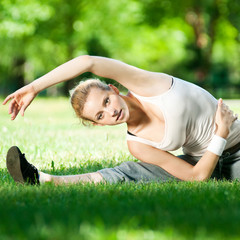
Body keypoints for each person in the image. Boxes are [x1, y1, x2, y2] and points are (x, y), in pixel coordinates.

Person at [3, 55, 240, 185]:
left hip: (237, 152)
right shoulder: (136, 144)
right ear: (98, 124)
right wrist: (219, 135)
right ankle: (44, 180)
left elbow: (88, 62)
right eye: (100, 115)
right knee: (129, 171)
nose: (111, 113)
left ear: (113, 89)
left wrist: (35, 86)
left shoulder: (145, 84)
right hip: (202, 161)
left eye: (106, 101)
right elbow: (197, 177)